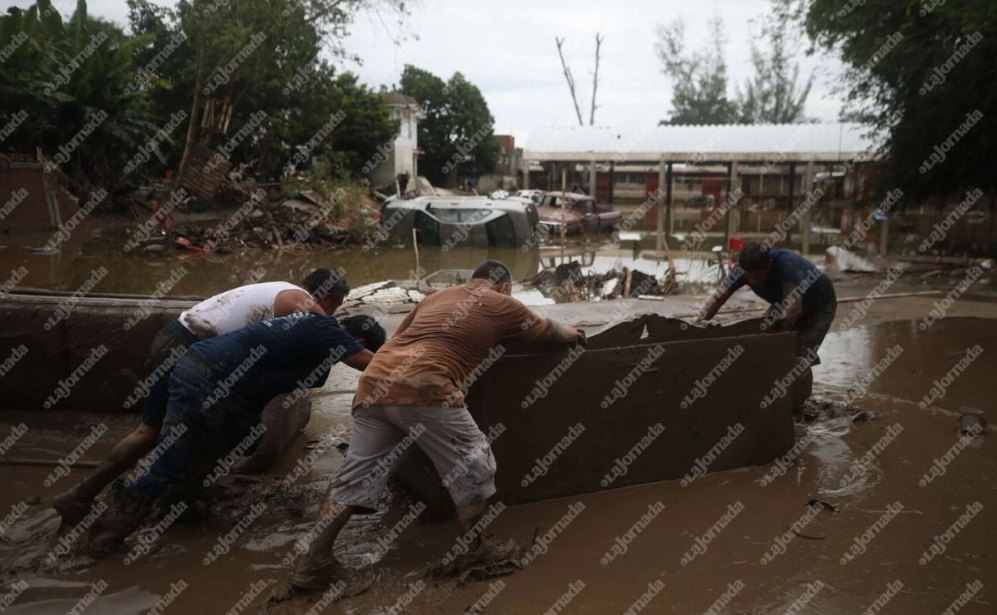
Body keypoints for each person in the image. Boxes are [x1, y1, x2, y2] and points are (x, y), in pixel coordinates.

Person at [288, 260, 586, 593]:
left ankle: (311, 565)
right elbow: (549, 332)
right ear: (503, 287)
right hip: (425, 385)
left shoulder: (434, 298)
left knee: (355, 477)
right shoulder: (503, 302)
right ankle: (476, 550)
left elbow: (396, 341)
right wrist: (576, 334)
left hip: (373, 384)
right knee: (475, 462)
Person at [53, 269, 351, 525]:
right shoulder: (301, 304)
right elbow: (317, 334)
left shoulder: (277, 289)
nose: (332, 312)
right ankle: (164, 505)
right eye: (336, 304)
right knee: (195, 440)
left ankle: (79, 497)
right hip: (194, 354)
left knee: (148, 431)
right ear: (326, 298)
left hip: (174, 335)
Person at [88, 312, 385, 553]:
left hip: (220, 384)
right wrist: (414, 369)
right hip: (204, 375)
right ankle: (106, 534)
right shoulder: (323, 326)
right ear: (357, 340)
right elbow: (367, 363)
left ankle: (181, 504)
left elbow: (265, 386)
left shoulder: (316, 352)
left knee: (241, 437)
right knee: (170, 462)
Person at [698, 243, 837, 406]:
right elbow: (717, 299)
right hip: (782, 303)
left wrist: (780, 336)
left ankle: (800, 403)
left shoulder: (788, 266)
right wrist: (698, 325)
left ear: (769, 265)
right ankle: (766, 390)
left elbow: (794, 310)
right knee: (760, 341)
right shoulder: (742, 270)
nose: (753, 281)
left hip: (819, 305)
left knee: (799, 352)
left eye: (758, 276)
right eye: (748, 277)